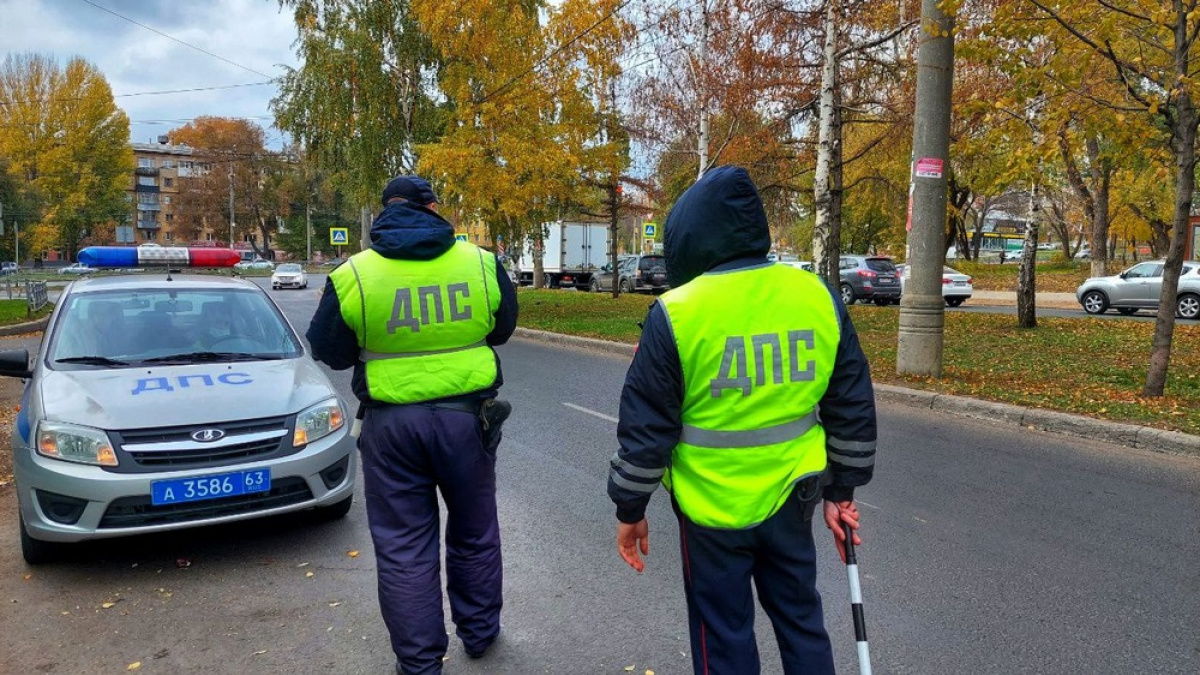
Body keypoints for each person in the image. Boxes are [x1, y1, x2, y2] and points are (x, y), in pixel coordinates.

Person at [607, 166, 877, 674]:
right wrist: (843, 492)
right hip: (792, 496)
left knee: (722, 634)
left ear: (689, 236)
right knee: (801, 619)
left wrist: (630, 508)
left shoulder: (676, 313)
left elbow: (647, 430)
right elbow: (851, 405)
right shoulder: (817, 296)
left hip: (710, 507)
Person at [306, 175, 518, 675]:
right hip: (468, 422)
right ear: (433, 207)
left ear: (383, 212)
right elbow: (503, 328)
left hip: (392, 426)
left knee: (404, 545)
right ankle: (480, 633)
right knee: (475, 531)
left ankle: (421, 662)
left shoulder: (355, 274)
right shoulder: (480, 263)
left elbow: (328, 350)